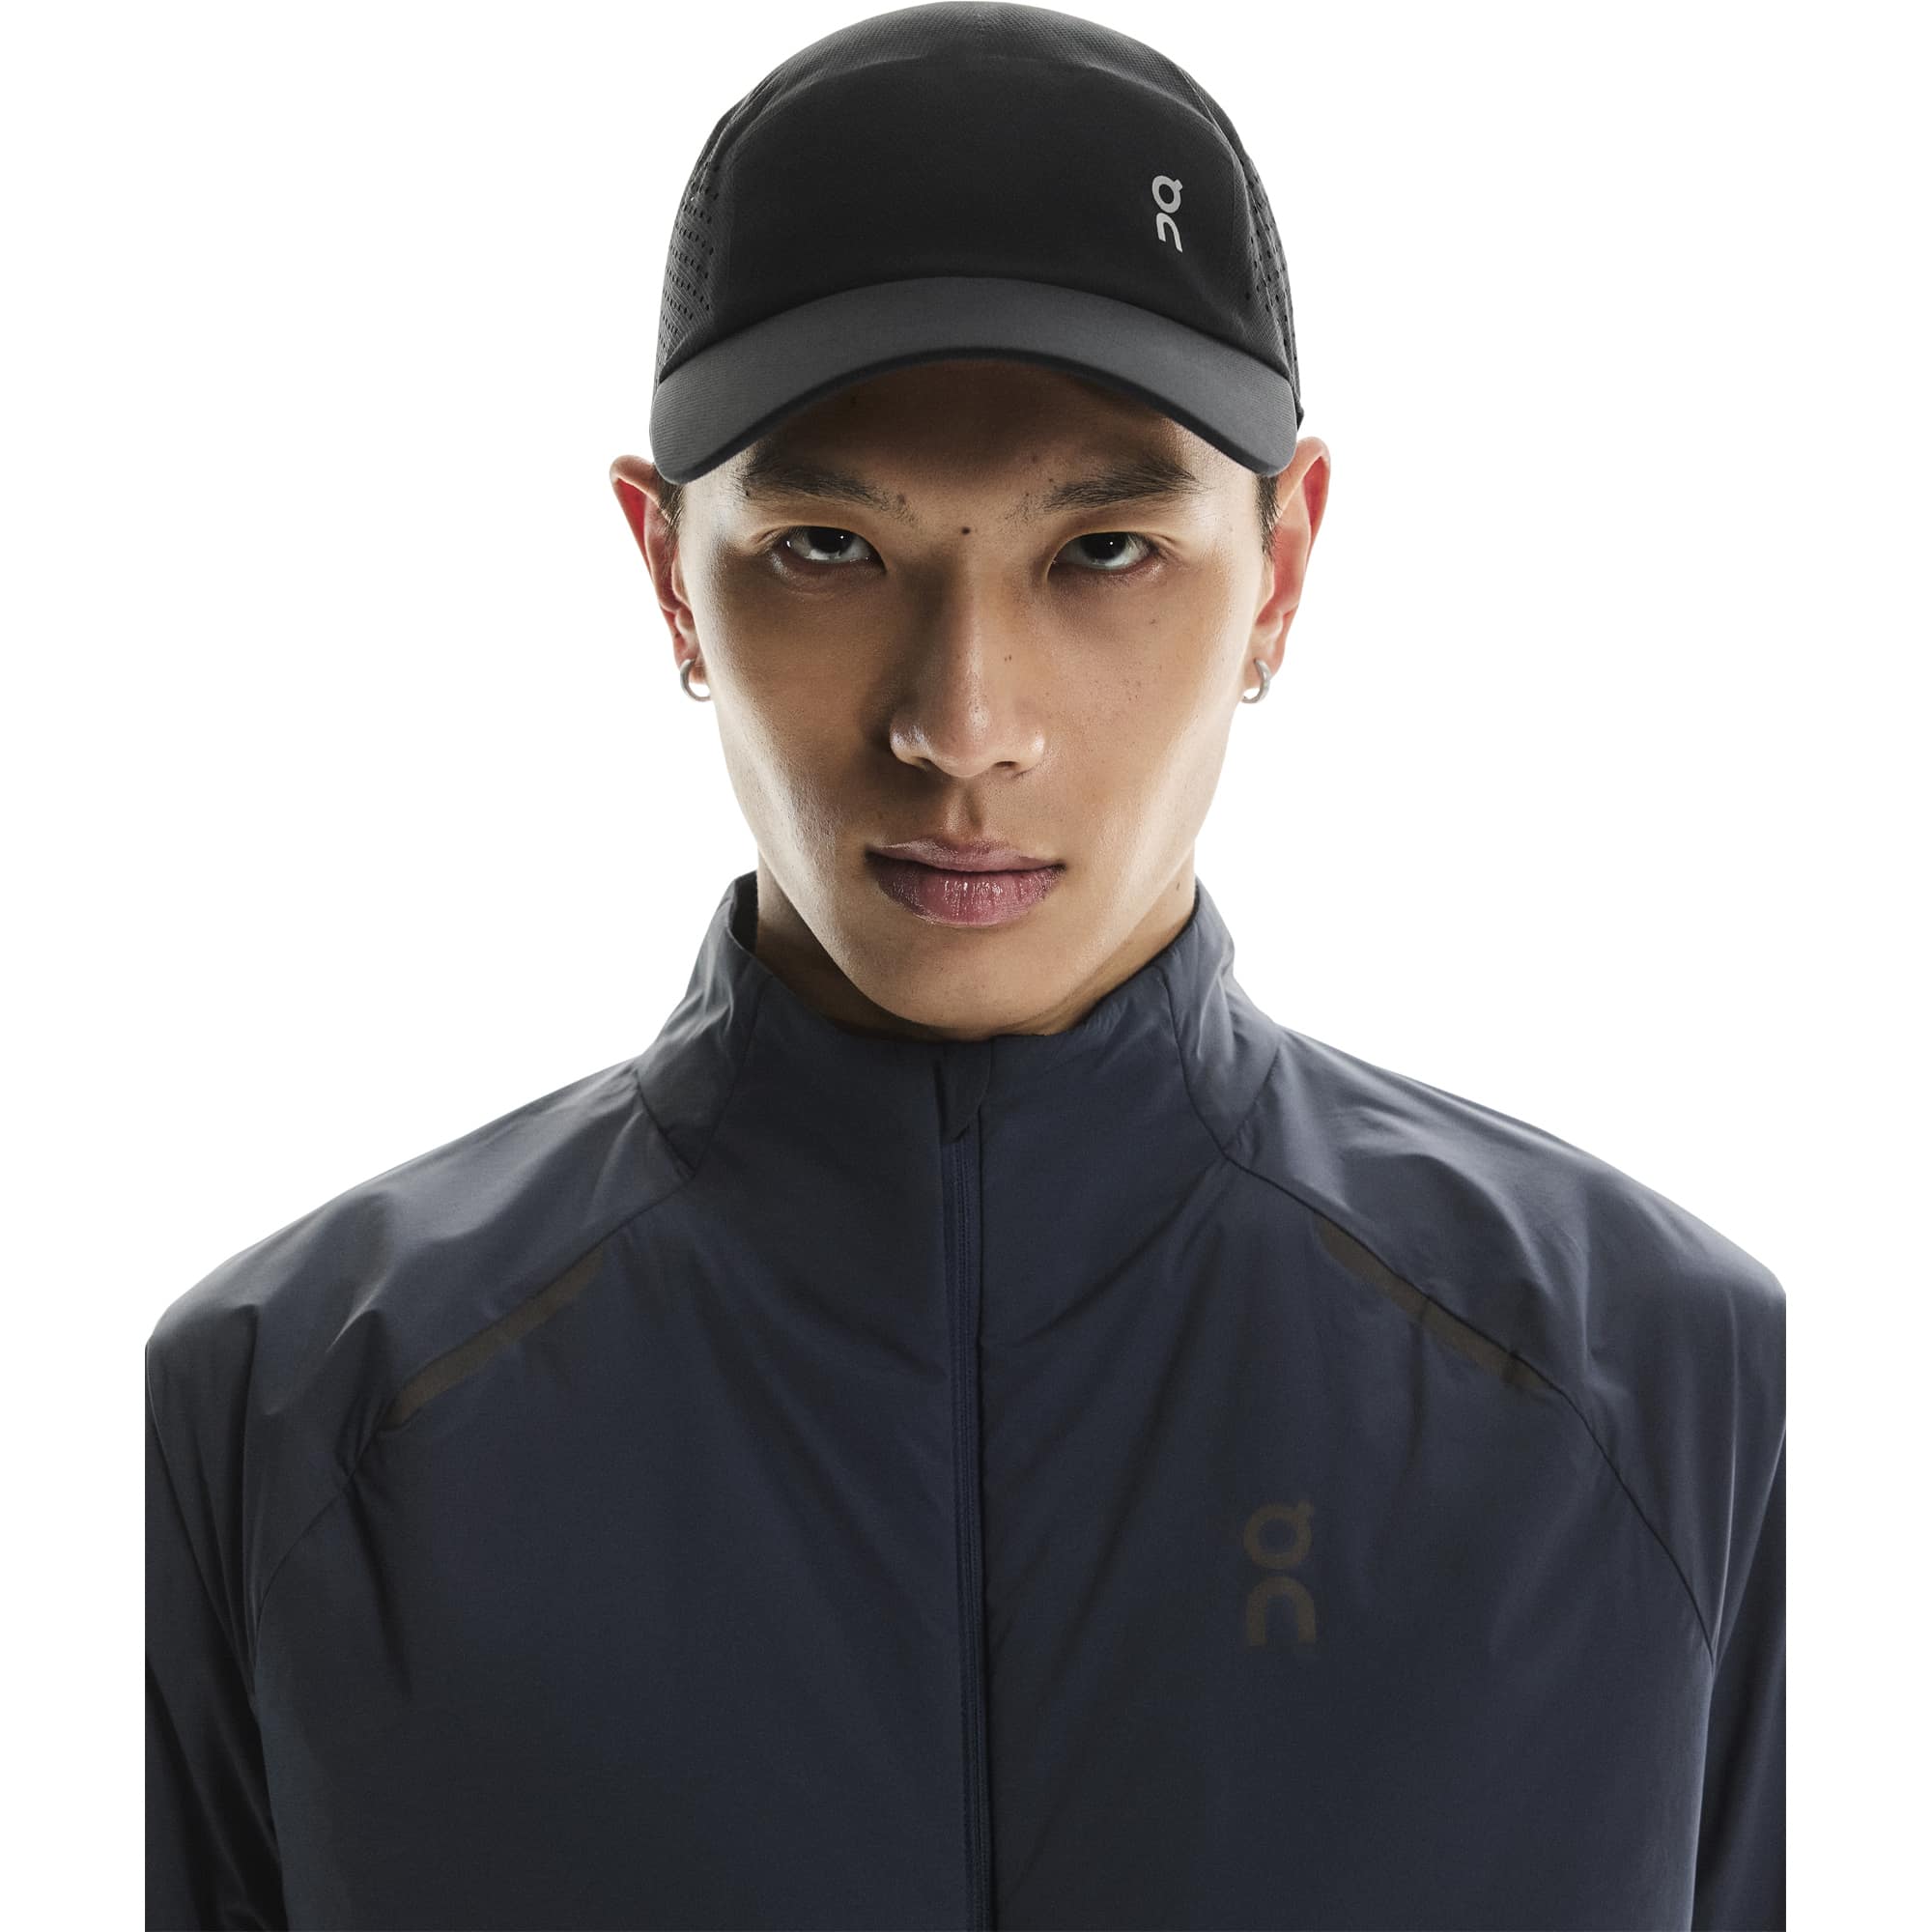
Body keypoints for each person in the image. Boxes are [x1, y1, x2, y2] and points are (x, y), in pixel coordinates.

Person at [145, 7, 1785, 1929]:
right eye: (829, 547)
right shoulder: (283, 1423)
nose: (964, 723)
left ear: (1281, 568)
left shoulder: (1667, 1386)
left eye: (1104, 551)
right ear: (669, 572)